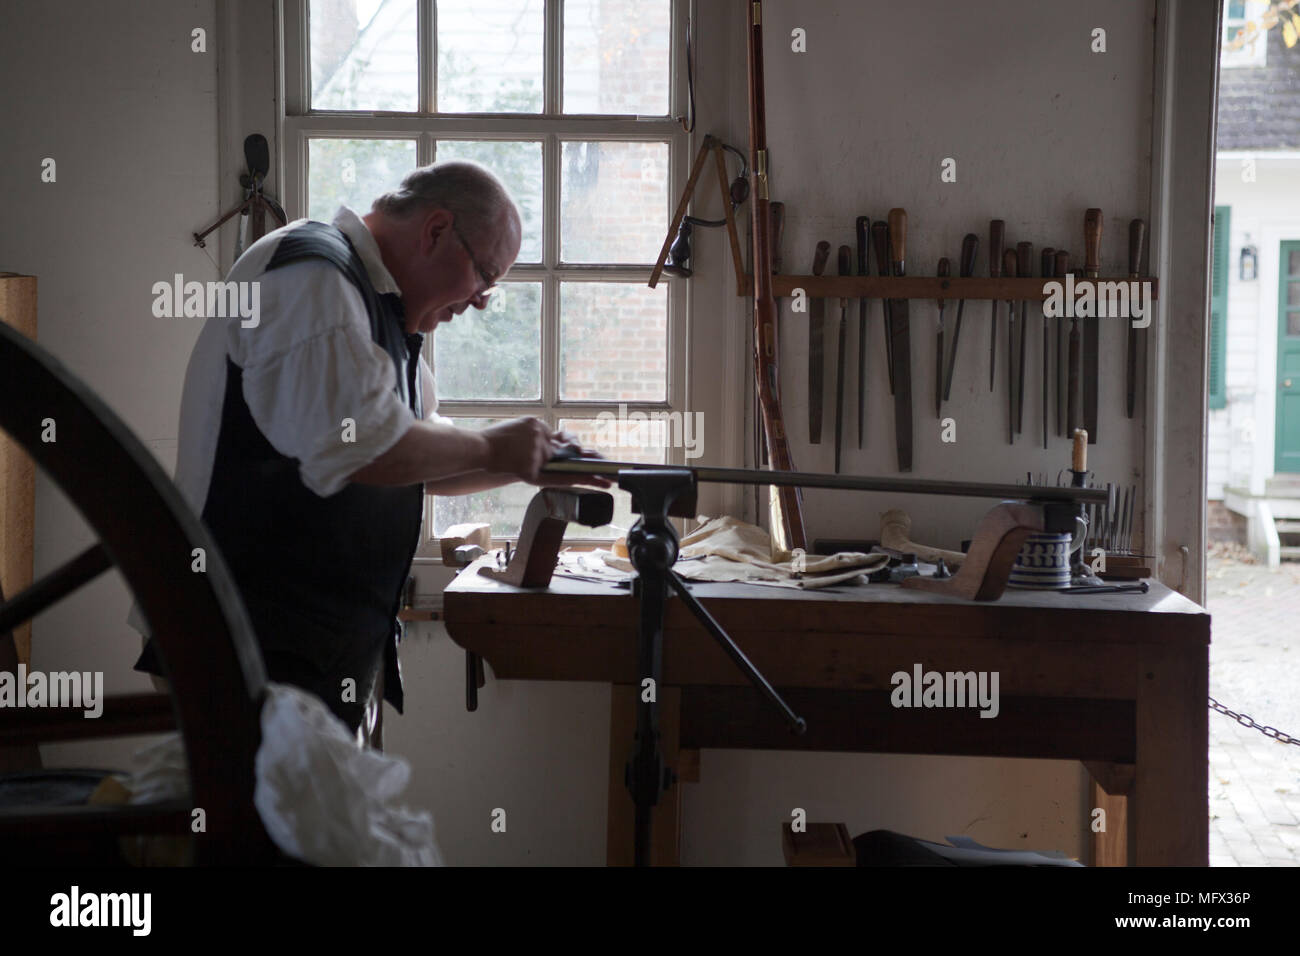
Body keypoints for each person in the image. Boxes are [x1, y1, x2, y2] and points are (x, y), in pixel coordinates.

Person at [133, 161, 607, 743]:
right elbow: (366, 446)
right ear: (436, 231)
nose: (481, 302)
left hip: (320, 657)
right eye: (484, 275)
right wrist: (496, 445)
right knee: (260, 836)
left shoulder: (381, 310)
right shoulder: (312, 277)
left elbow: (420, 452)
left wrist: (527, 461)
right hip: (243, 648)